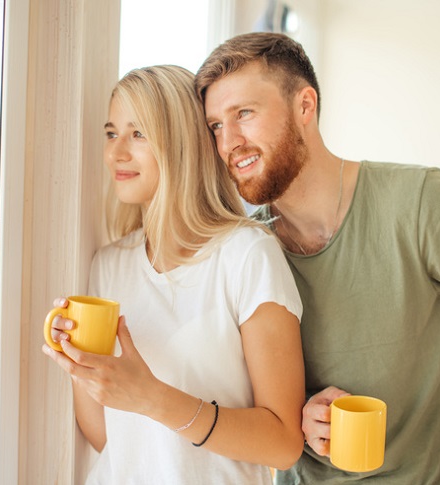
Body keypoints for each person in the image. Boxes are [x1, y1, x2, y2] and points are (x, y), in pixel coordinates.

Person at [194, 32, 440, 485]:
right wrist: (302, 419)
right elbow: (257, 416)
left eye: (244, 113)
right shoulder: (248, 250)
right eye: (216, 125)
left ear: (305, 106)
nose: (229, 142)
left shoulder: (422, 205)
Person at [42, 65, 306, 484]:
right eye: (111, 134)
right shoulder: (109, 265)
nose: (116, 153)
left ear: (181, 144)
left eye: (138, 133)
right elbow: (109, 437)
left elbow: (283, 443)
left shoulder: (247, 255)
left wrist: (152, 397)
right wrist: (82, 367)